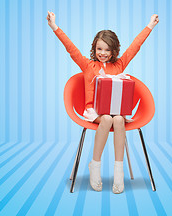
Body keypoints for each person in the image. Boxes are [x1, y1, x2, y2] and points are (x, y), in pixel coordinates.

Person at [47, 12, 159, 193]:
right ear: (94, 49)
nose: (103, 53)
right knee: (106, 118)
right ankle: (95, 166)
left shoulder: (119, 65)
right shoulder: (88, 66)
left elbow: (135, 47)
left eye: (107, 50)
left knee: (118, 119)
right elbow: (70, 47)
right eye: (100, 49)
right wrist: (54, 26)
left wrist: (150, 26)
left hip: (117, 111)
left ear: (114, 51)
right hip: (95, 112)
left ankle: (118, 171)